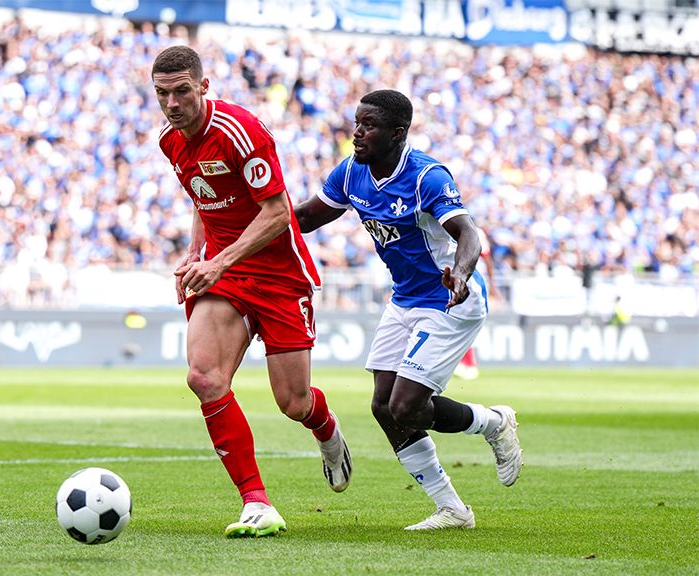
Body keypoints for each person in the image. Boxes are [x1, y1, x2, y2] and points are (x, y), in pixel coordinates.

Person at [294, 89, 522, 530]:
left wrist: (459, 270)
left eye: (369, 126)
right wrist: (239, 225)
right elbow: (304, 218)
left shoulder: (426, 177)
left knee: (406, 406)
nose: (357, 133)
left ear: (398, 133)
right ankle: (453, 510)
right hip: (405, 298)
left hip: (449, 298)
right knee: (383, 407)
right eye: (357, 122)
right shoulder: (350, 173)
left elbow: (469, 233)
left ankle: (493, 422)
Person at [151, 45, 351, 538]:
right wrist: (198, 254)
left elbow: (278, 212)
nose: (172, 104)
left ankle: (325, 429)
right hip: (227, 273)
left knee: (293, 402)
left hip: (280, 274)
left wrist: (217, 260)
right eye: (162, 94)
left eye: (181, 92)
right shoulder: (170, 142)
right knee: (204, 376)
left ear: (204, 86)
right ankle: (256, 503)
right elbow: (204, 199)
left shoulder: (241, 131)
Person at [453, 226, 495, 380]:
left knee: (463, 321)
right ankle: (464, 363)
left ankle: (469, 364)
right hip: (463, 281)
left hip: (474, 282)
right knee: (458, 321)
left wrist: (493, 285)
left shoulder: (473, 231)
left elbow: (487, 258)